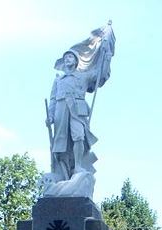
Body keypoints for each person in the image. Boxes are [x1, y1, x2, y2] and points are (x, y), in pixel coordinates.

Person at [45, 23, 115, 185]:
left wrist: (106, 55)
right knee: (60, 143)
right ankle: (61, 172)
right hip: (61, 111)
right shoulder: (58, 80)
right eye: (66, 57)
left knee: (79, 136)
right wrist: (50, 116)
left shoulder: (83, 76)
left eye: (70, 57)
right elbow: (53, 100)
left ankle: (77, 167)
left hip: (77, 110)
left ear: (76, 61)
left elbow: (100, 73)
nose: (68, 59)